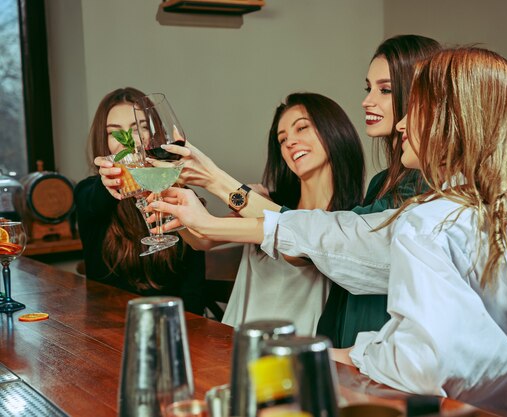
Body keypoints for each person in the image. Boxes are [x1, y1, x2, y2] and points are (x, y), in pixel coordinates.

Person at [151, 47, 507, 416]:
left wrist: (328, 358)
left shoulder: (426, 220)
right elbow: (351, 239)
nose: (402, 122)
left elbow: (421, 363)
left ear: (455, 120)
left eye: (410, 104)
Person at [159, 35, 441, 347]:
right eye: (282, 138)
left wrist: (217, 182)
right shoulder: (376, 185)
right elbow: (206, 238)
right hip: (334, 352)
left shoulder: (403, 194)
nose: (367, 100)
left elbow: (309, 240)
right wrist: (174, 196)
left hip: (356, 355)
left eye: (385, 90)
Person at [179, 92, 365, 335]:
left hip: (300, 356)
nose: (290, 142)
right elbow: (200, 239)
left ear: (334, 130)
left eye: (302, 128)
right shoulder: (266, 204)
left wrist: (223, 186)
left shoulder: (351, 220)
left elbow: (296, 237)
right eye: (282, 138)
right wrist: (169, 191)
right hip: (238, 348)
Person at [74, 87, 209, 315]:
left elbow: (193, 291)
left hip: (172, 326)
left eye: (139, 129)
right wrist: (110, 183)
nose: (128, 141)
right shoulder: (88, 191)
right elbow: (93, 201)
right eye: (113, 132)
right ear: (104, 141)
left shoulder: (181, 196)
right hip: (108, 331)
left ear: (154, 135)